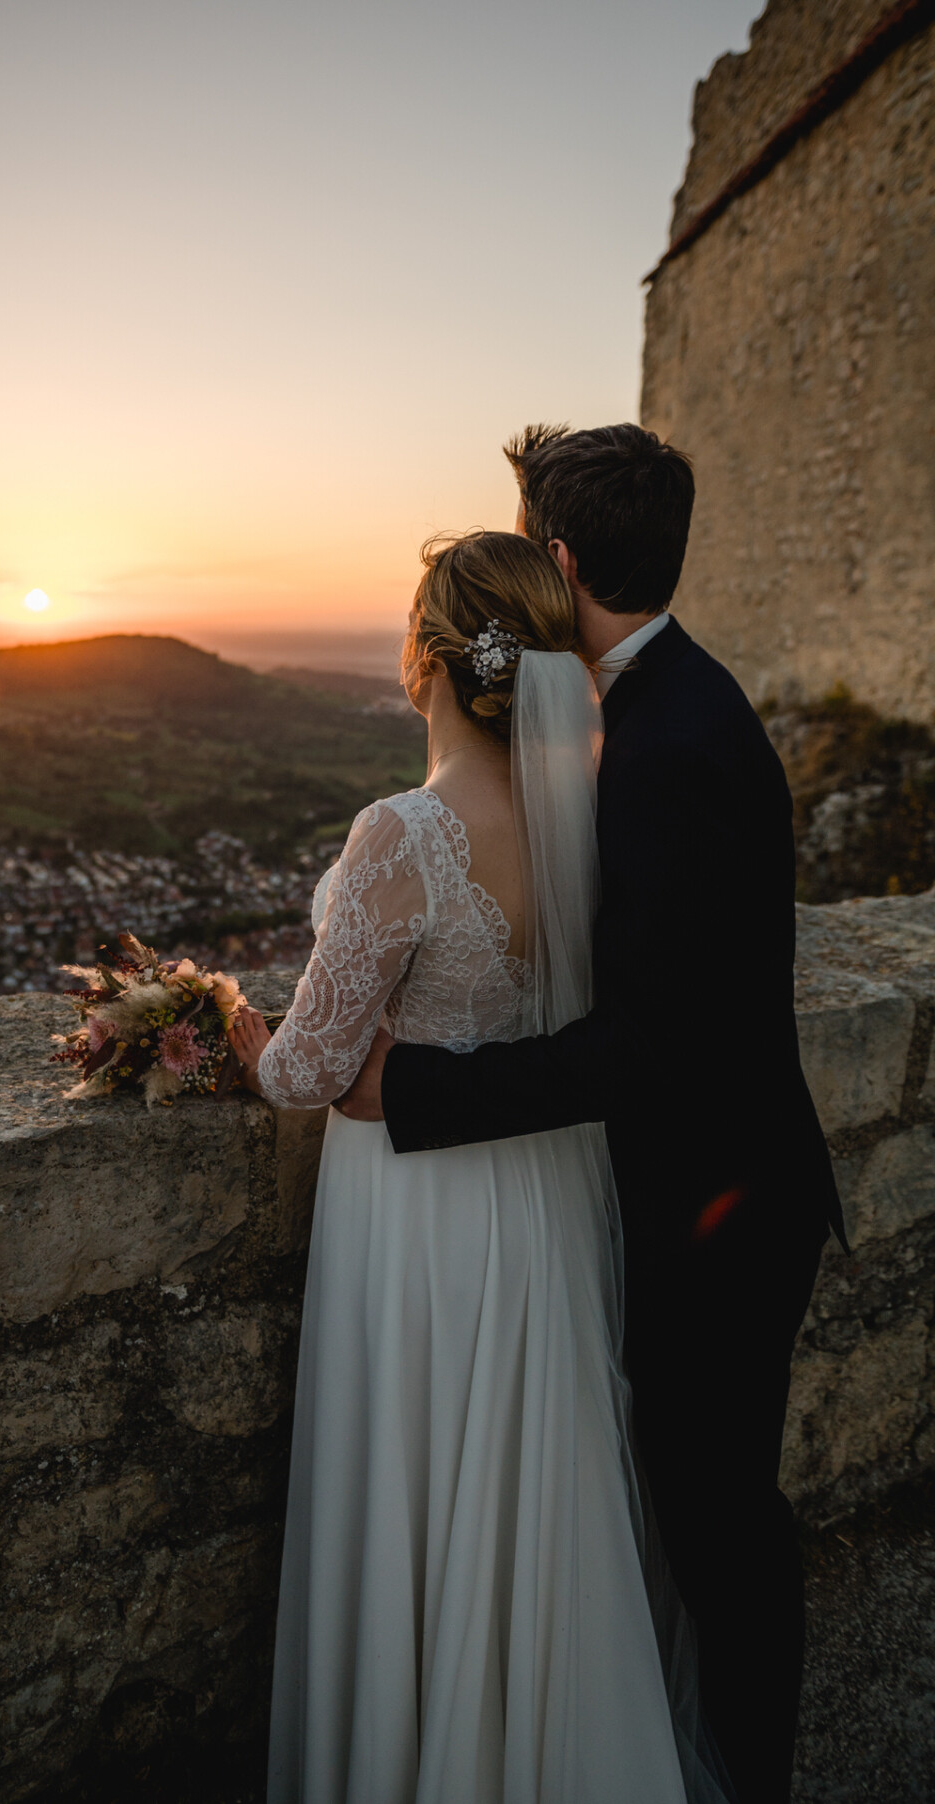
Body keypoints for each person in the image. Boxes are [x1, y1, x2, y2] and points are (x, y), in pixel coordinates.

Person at [337, 424, 845, 1804]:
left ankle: (745, 1776)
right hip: (712, 1179)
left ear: (559, 563)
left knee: (718, 1521)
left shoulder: (664, 742)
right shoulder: (667, 698)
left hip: (718, 1206)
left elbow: (642, 1045)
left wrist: (420, 1087)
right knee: (698, 1509)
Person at [229, 529, 733, 1804]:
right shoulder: (587, 821)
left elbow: (304, 1072)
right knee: (523, 1488)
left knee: (415, 1475)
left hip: (420, 1208)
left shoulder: (402, 831)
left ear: (426, 658)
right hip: (545, 1192)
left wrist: (222, 1013)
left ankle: (411, 1754)